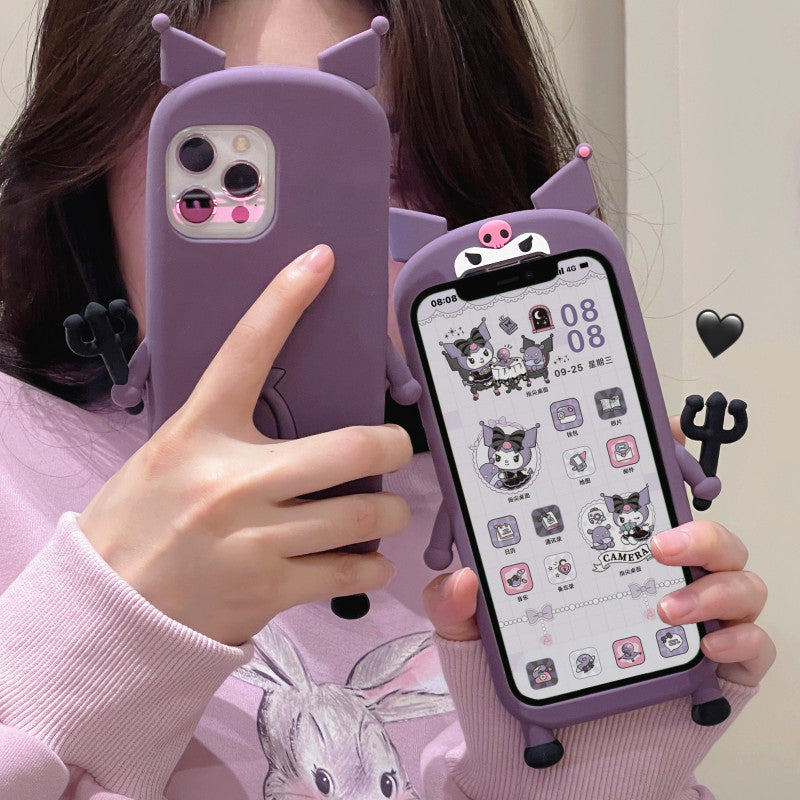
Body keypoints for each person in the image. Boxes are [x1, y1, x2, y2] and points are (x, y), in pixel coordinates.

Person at [0, 1, 774, 798]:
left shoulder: (498, 514)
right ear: (91, 163)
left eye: (370, 164)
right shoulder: (13, 464)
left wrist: (605, 765)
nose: (305, 256)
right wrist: (111, 626)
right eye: (233, 167)